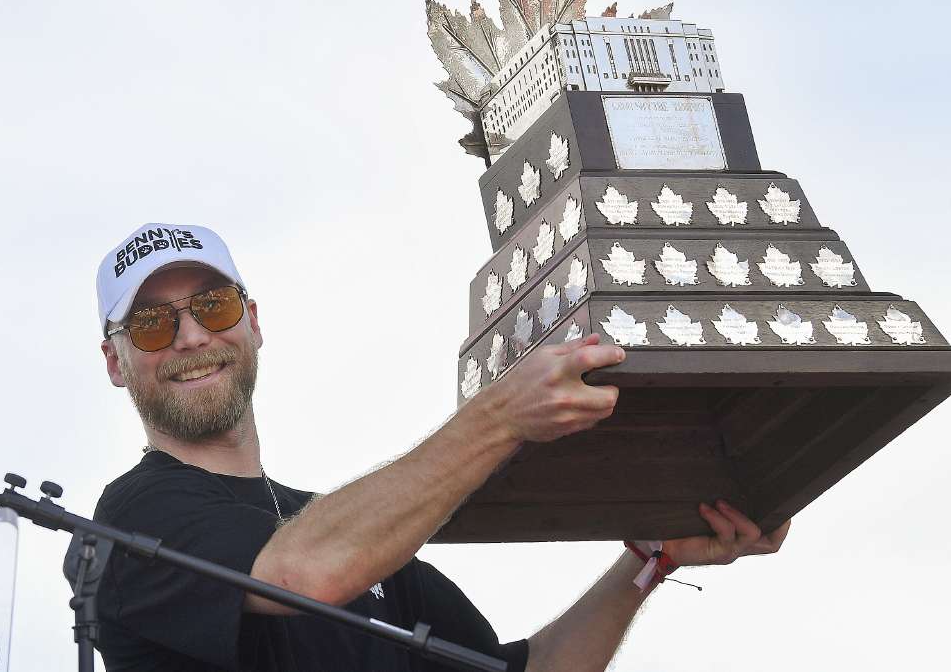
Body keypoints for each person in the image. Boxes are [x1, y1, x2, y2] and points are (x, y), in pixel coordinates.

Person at [88, 222, 789, 672]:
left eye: (213, 307)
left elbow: (528, 670)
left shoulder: (359, 537)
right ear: (116, 363)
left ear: (253, 322)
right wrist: (501, 414)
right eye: (149, 325)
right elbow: (299, 576)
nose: (190, 338)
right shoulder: (131, 520)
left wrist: (648, 561)